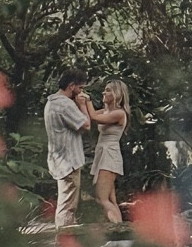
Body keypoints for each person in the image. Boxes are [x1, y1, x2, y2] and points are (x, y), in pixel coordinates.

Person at [42, 69, 92, 232]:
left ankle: (65, 238)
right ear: (71, 86)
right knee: (67, 207)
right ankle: (64, 241)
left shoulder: (51, 102)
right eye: (80, 88)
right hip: (68, 161)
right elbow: (86, 125)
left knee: (66, 203)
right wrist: (83, 105)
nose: (82, 91)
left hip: (59, 159)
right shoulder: (65, 104)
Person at [79, 77, 130, 224]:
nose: (104, 92)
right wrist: (81, 102)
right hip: (104, 154)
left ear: (117, 94)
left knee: (101, 198)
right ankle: (120, 232)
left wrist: (87, 101)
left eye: (108, 90)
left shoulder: (119, 113)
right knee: (111, 199)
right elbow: (89, 116)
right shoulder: (106, 110)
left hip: (110, 155)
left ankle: (118, 229)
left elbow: (94, 117)